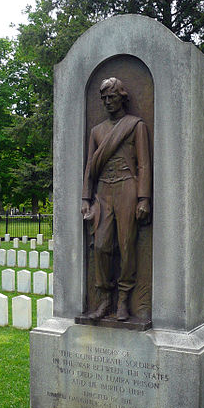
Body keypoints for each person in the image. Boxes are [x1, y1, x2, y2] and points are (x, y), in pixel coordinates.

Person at [81, 77, 151, 321]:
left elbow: (143, 164)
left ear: (122, 97)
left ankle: (123, 300)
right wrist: (85, 199)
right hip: (103, 192)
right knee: (101, 246)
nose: (108, 102)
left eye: (112, 97)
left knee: (126, 246)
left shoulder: (135, 125)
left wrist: (144, 198)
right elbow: (90, 167)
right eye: (104, 99)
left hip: (127, 188)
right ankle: (104, 299)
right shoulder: (97, 131)